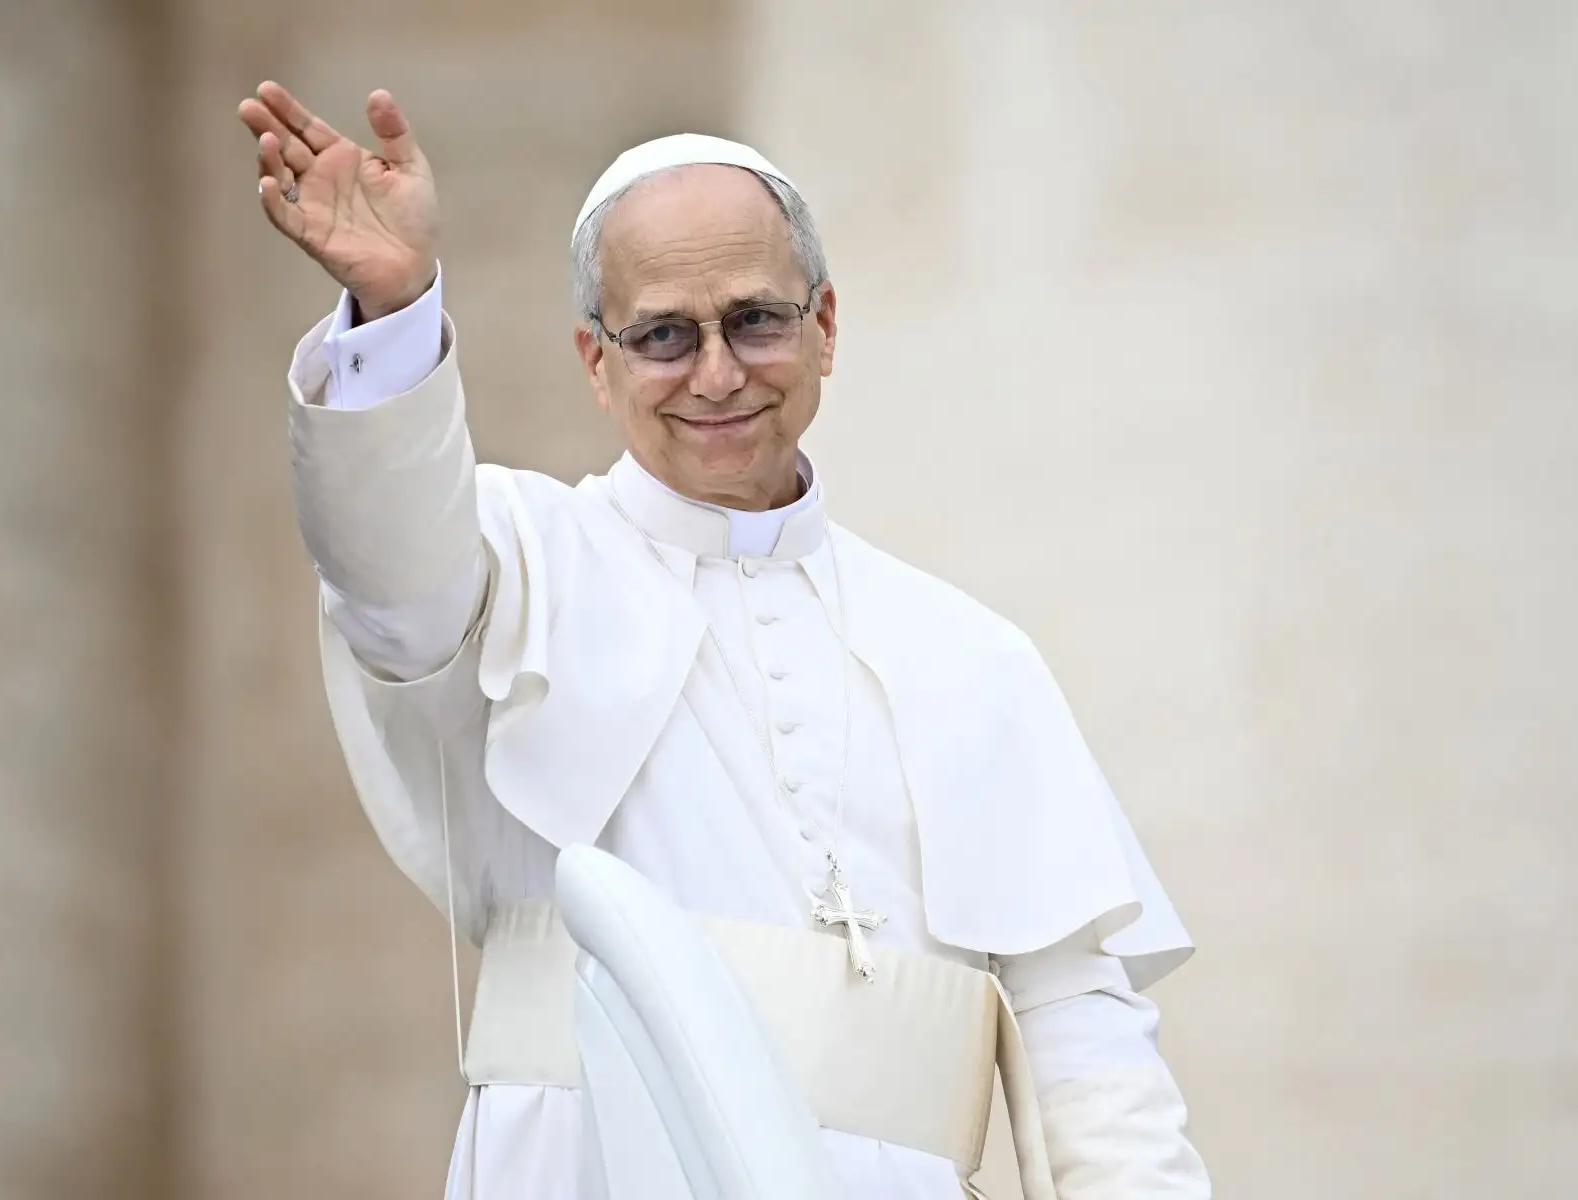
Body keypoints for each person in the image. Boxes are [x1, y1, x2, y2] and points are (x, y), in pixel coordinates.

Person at [240, 79, 1212, 1199]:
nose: (716, 374)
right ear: (596, 361)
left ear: (825, 326)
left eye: (756, 320)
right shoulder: (517, 560)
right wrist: (395, 313)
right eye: (662, 335)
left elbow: (1082, 1031)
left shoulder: (971, 654)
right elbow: (386, 565)